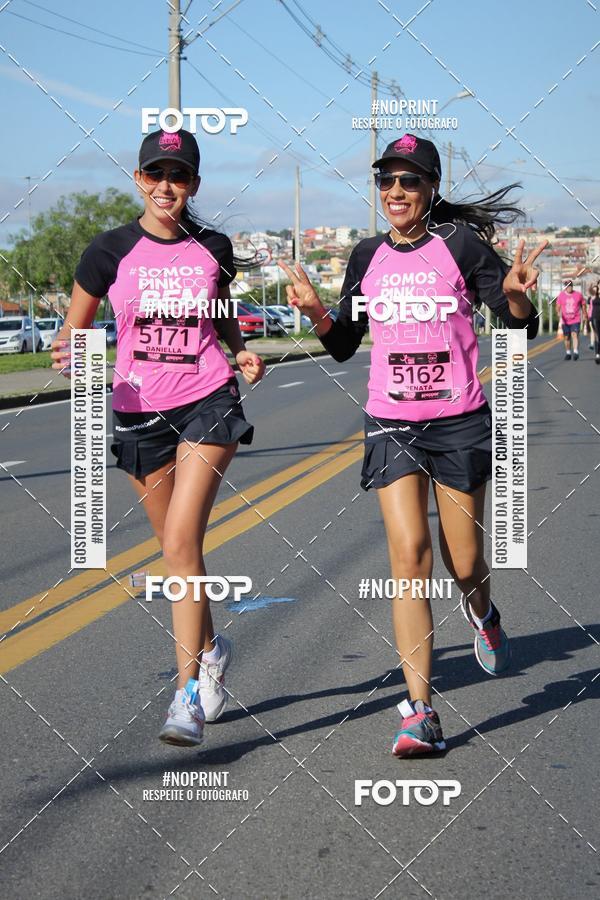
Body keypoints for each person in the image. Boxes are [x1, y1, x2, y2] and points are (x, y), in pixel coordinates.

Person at [280, 134, 545, 757]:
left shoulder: (460, 246)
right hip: (392, 422)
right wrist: (319, 312)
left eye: (409, 182)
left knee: (463, 559)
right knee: (410, 557)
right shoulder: (366, 255)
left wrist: (514, 297)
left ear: (431, 189)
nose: (395, 192)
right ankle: (419, 712)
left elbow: (513, 328)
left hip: (457, 421)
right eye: (386, 182)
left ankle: (483, 612)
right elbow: (346, 343)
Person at [52, 128, 265, 747]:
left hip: (208, 400)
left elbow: (221, 318)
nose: (167, 185)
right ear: (140, 179)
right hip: (136, 411)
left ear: (193, 184)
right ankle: (212, 646)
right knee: (178, 556)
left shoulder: (213, 248)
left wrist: (243, 352)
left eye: (180, 176)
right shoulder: (108, 251)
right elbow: (77, 329)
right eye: (156, 174)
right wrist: (71, 353)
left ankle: (185, 697)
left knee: (179, 541)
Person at [556, 279, 588, 360]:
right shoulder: (561, 295)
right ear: (565, 287)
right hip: (565, 320)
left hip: (576, 319)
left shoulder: (578, 295)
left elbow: (583, 305)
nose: (569, 287)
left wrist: (584, 314)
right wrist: (558, 312)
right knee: (567, 337)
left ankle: (576, 351)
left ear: (572, 286)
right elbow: (558, 306)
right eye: (567, 286)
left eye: (570, 286)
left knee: (575, 334)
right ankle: (568, 353)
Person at [589, 281, 600, 363]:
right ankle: (597, 354)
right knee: (597, 336)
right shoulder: (594, 294)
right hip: (595, 318)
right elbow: (590, 290)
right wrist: (591, 285)